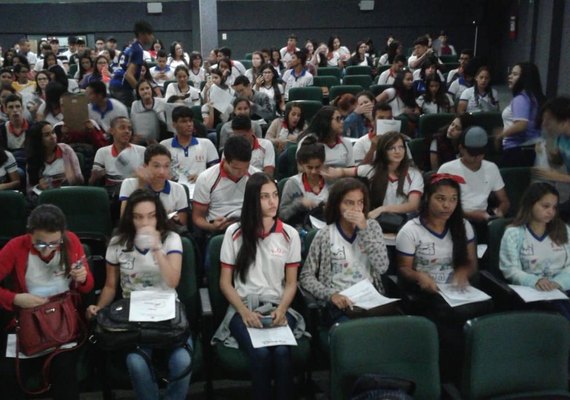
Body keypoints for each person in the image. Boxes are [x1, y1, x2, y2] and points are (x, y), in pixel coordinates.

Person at [86, 189, 192, 400]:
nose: (145, 222)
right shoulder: (118, 243)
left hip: (167, 309)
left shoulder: (171, 239)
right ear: (130, 218)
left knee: (183, 361)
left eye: (151, 216)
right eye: (139, 217)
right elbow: (109, 285)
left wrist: (156, 249)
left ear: (159, 216)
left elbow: (172, 281)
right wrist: (99, 307)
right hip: (133, 312)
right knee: (136, 363)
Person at [213, 172, 303, 400]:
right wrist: (244, 312)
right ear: (253, 200)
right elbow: (225, 283)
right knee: (261, 354)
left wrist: (282, 309)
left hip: (277, 305)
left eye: (275, 195)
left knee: (283, 353)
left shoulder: (290, 234)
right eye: (265, 197)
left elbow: (292, 283)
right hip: (243, 307)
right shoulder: (234, 233)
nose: (273, 202)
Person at [0, 204, 94, 400]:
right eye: (40, 243)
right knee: (10, 374)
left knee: (64, 370)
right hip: (28, 320)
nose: (47, 249)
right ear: (30, 234)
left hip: (63, 322)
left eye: (54, 243)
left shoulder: (70, 242)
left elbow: (86, 287)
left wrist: (82, 277)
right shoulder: (16, 247)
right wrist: (15, 298)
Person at [299, 177, 390, 325]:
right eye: (349, 203)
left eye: (360, 202)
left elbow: (382, 267)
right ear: (337, 205)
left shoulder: (372, 228)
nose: (356, 208)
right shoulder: (325, 234)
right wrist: (331, 295)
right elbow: (306, 276)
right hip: (341, 301)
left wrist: (364, 230)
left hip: (370, 299)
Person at [500, 183, 570, 309]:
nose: (551, 212)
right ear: (531, 204)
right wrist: (535, 281)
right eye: (545, 206)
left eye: (554, 207)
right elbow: (510, 269)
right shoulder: (514, 233)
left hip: (562, 288)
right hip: (533, 293)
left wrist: (559, 283)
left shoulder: (564, 230)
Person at [325, 131, 423, 220]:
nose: (397, 151)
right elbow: (344, 171)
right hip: (377, 220)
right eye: (392, 148)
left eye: (401, 147)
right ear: (383, 151)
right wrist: (331, 171)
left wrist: (383, 209)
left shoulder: (414, 174)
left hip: (404, 220)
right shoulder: (372, 170)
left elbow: (413, 205)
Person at [438, 126, 510, 241]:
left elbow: (504, 200)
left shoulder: (491, 168)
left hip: (484, 220)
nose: (476, 157)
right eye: (472, 154)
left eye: (480, 153)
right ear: (461, 149)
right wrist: (467, 214)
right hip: (454, 218)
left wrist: (500, 212)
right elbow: (439, 203)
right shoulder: (447, 169)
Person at [192, 135, 258, 235]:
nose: (243, 172)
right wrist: (212, 227)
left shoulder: (257, 176)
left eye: (246, 167)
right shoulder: (206, 178)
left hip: (250, 227)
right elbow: (197, 217)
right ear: (225, 160)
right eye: (236, 168)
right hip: (220, 229)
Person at [119, 144, 188, 227]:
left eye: (166, 166)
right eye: (156, 166)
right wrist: (141, 186)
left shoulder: (178, 189)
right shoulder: (129, 184)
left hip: (167, 233)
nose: (162, 172)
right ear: (145, 166)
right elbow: (125, 220)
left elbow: (181, 224)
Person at [497, 62, 545, 167]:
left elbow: (521, 125)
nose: (510, 76)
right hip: (532, 149)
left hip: (516, 150)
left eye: (515, 74)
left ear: (524, 78)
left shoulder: (521, 98)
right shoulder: (535, 97)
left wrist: (500, 135)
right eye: (511, 74)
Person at [279, 136, 329, 227]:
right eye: (309, 167)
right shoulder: (293, 183)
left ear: (323, 163)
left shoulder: (330, 182)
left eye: (318, 167)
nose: (314, 171)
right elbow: (282, 215)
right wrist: (299, 203)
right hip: (301, 229)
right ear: (302, 165)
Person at [160, 106, 219, 182]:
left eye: (190, 121)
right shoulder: (164, 146)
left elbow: (216, 171)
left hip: (200, 187)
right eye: (184, 121)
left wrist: (201, 178)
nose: (189, 124)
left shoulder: (206, 143)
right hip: (174, 189)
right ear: (174, 125)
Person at [90, 116, 145, 194]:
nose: (127, 131)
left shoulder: (142, 151)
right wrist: (96, 175)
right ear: (112, 131)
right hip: (112, 193)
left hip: (135, 191)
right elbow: (92, 181)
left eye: (129, 129)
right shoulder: (102, 152)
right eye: (122, 128)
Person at [25, 121, 84, 195]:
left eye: (53, 132)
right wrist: (39, 187)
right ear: (38, 140)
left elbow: (79, 179)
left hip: (68, 193)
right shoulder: (33, 158)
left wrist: (70, 179)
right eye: (47, 135)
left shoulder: (66, 150)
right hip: (47, 196)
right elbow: (29, 189)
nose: (52, 137)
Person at [110, 21, 154, 107]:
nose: (152, 37)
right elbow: (128, 75)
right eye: (150, 34)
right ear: (142, 34)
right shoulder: (138, 50)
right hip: (122, 88)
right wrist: (140, 91)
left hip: (115, 85)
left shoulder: (131, 46)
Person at [130, 80, 167, 145]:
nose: (145, 91)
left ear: (151, 90)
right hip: (142, 136)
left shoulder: (162, 102)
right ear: (138, 92)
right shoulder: (135, 105)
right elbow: (134, 124)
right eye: (142, 89)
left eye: (147, 88)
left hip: (161, 135)